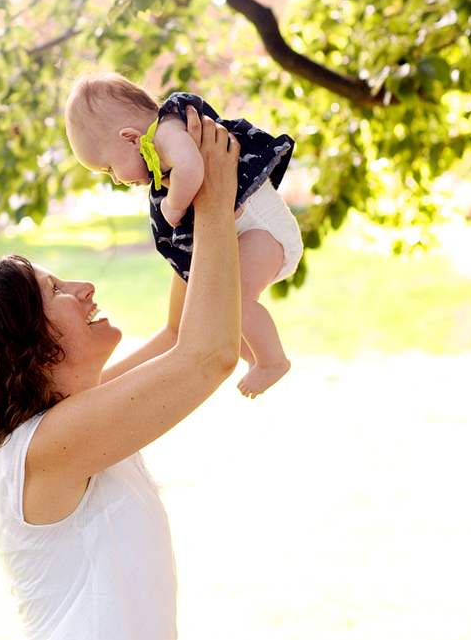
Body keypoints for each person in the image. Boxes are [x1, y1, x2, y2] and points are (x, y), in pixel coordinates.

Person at [0, 110, 241, 640]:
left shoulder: (75, 424)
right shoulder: (43, 450)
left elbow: (177, 334)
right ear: (28, 346)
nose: (85, 289)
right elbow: (209, 354)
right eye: (56, 292)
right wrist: (218, 198)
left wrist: (186, 202)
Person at [65, 73, 302, 399]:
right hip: (246, 230)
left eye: (108, 169)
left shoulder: (167, 131)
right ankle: (251, 354)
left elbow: (192, 166)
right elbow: (176, 331)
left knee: (238, 298)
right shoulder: (162, 154)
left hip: (262, 226)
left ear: (132, 138)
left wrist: (174, 207)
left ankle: (272, 360)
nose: (116, 180)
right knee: (225, 306)